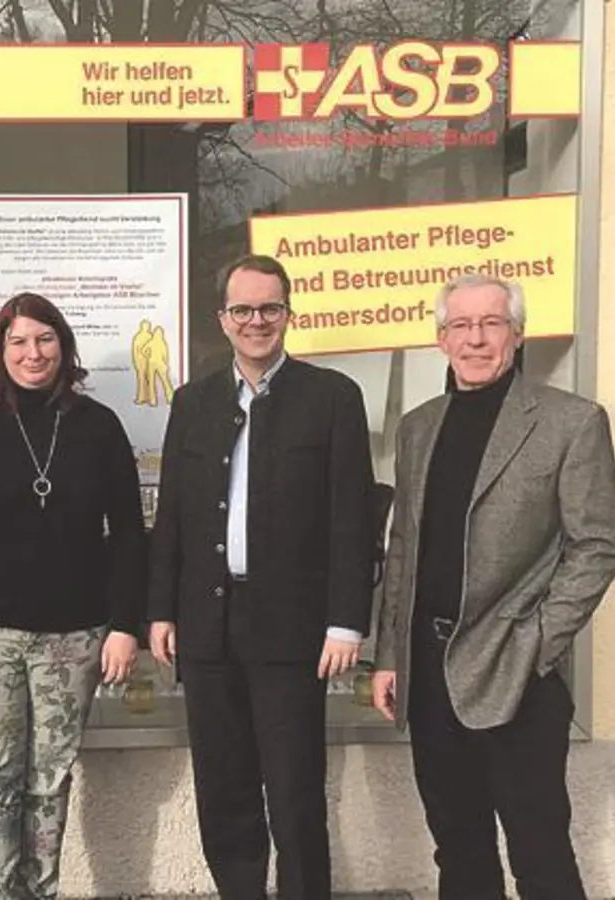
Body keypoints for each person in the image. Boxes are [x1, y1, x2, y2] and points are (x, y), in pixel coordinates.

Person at [369, 273, 615, 900]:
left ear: (516, 334)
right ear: (441, 339)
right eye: (460, 325)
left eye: (490, 324)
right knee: (458, 850)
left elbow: (598, 544)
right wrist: (388, 656)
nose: (475, 339)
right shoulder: (419, 427)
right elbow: (403, 546)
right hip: (429, 672)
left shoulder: (571, 422)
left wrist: (540, 639)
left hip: (516, 672)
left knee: (538, 851)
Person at [147, 254, 375, 900]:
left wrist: (346, 620)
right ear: (222, 319)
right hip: (208, 628)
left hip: (293, 631)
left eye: (269, 308)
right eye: (243, 309)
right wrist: (162, 610)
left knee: (295, 793)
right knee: (225, 792)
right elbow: (174, 518)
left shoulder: (332, 398)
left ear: (288, 314)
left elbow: (350, 520)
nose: (257, 321)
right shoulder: (194, 401)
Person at [0, 291, 147, 900]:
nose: (32, 353)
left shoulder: (97, 427)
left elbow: (129, 533)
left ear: (63, 346)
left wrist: (125, 624)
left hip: (73, 640)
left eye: (44, 339)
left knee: (49, 784)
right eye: (18, 341)